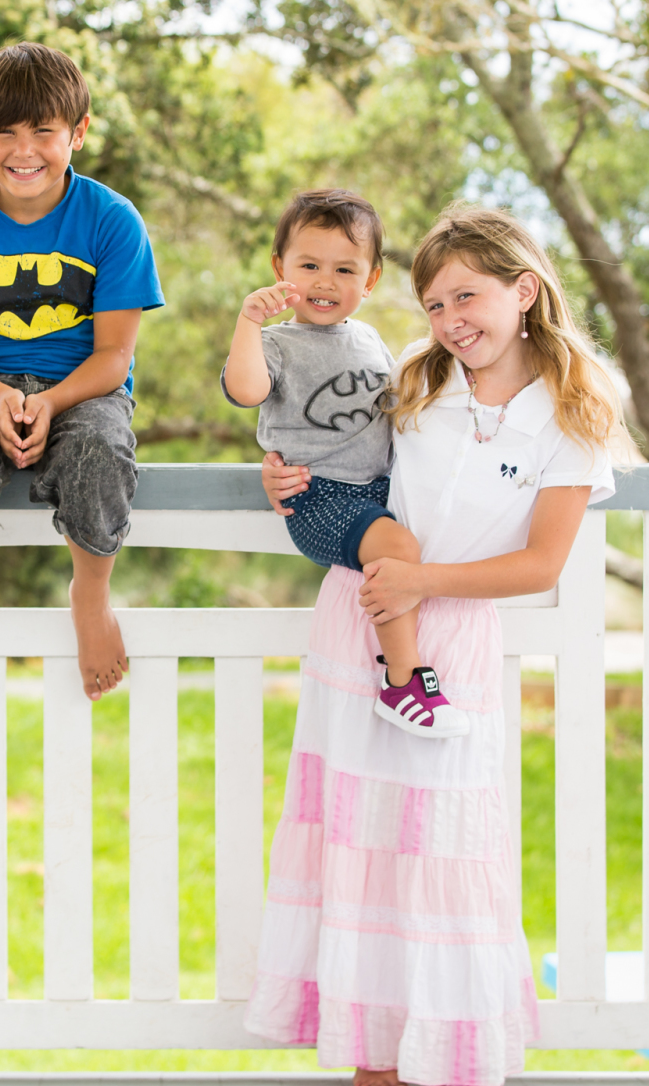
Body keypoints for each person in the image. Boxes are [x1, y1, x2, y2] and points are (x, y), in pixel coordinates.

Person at [244, 206, 627, 1086]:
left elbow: (540, 564)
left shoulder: (572, 413)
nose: (451, 319)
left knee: (445, 843)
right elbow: (331, 450)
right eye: (434, 303)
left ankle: (452, 1044)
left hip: (449, 631)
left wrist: (425, 582)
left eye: (467, 297)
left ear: (523, 292)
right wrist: (281, 472)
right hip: (365, 612)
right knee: (362, 835)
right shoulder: (416, 377)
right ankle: (374, 1042)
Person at [0, 41, 164, 701]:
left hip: (86, 385)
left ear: (78, 132)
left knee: (102, 451)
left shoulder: (112, 220)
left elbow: (114, 356)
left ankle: (91, 598)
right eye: (5, 132)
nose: (25, 150)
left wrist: (51, 401)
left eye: (44, 131)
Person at [223, 189, 468, 738]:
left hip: (380, 489)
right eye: (309, 266)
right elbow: (245, 390)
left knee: (424, 540)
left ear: (371, 279)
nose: (326, 282)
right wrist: (248, 321)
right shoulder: (277, 344)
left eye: (345, 269)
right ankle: (402, 681)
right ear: (279, 268)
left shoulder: (371, 339)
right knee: (398, 550)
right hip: (319, 495)